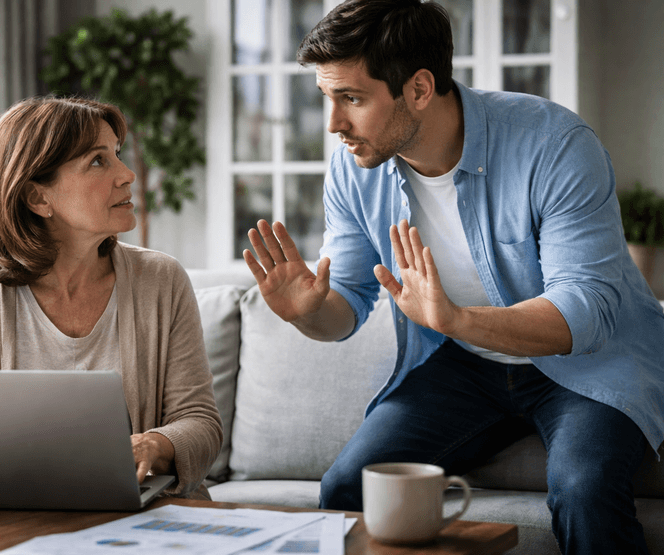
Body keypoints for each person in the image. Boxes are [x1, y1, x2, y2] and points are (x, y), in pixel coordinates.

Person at [242, 0, 664, 552]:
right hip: (466, 366)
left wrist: (458, 319)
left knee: (585, 492)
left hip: (588, 363)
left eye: (352, 99)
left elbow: (585, 310)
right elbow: (345, 302)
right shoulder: (354, 167)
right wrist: (308, 314)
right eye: (328, 97)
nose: (333, 124)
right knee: (347, 485)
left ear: (419, 88)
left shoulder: (553, 144)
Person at [0, 96, 223, 500]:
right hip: (12, 520)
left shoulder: (161, 279)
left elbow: (200, 423)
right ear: (38, 198)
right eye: (98, 161)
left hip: (148, 519)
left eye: (117, 154)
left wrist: (155, 445)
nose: (127, 174)